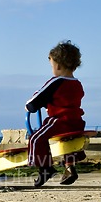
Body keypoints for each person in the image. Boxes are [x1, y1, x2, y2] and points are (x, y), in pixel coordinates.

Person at [25, 40, 86, 187]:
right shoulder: (77, 83)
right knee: (67, 141)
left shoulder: (56, 81)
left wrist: (29, 106)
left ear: (58, 65)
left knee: (35, 138)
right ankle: (69, 167)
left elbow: (33, 103)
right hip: (77, 121)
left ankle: (45, 167)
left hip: (59, 120)